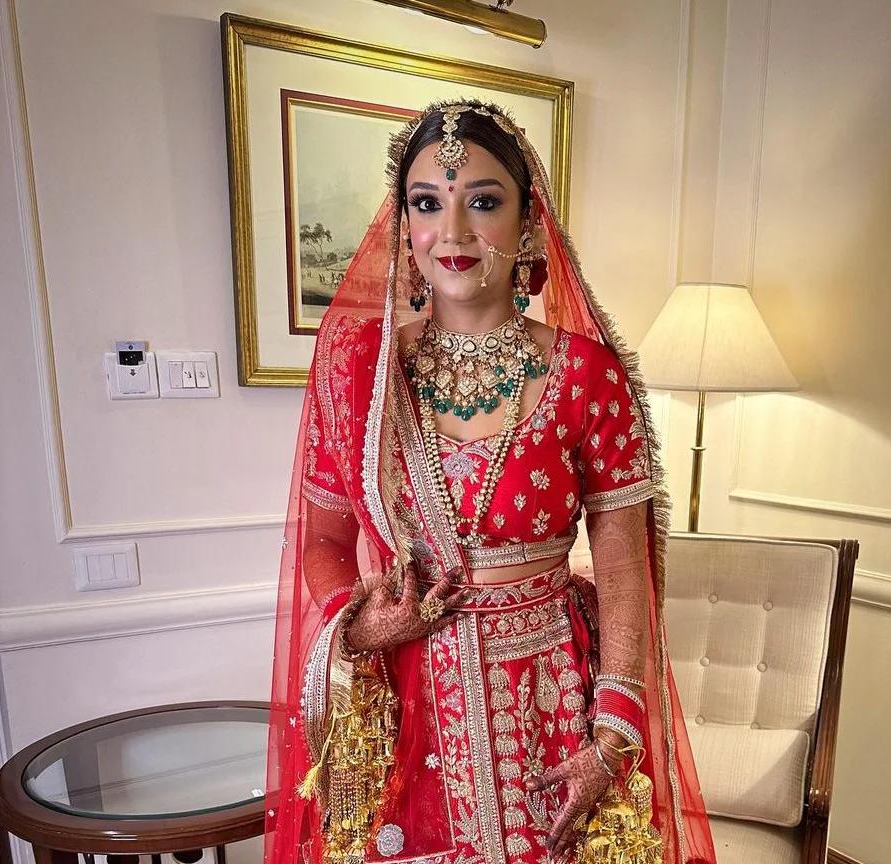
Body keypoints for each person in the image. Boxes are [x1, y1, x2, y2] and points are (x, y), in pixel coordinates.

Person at [266, 100, 717, 864]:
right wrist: (365, 628)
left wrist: (612, 730)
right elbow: (325, 544)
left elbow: (623, 566)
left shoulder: (586, 375)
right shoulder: (358, 374)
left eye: (482, 201)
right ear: (404, 225)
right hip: (406, 710)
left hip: (548, 700)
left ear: (528, 220)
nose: (453, 232)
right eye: (426, 204)